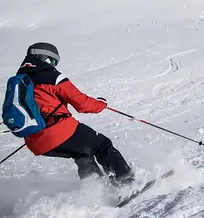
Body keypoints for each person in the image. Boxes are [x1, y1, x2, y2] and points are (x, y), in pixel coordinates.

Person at [17, 42, 133, 183]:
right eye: (53, 61)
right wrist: (101, 104)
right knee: (102, 145)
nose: (54, 65)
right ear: (44, 57)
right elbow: (82, 104)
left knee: (82, 153)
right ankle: (127, 183)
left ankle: (96, 193)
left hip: (35, 140)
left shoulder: (20, 81)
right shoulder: (52, 77)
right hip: (59, 131)